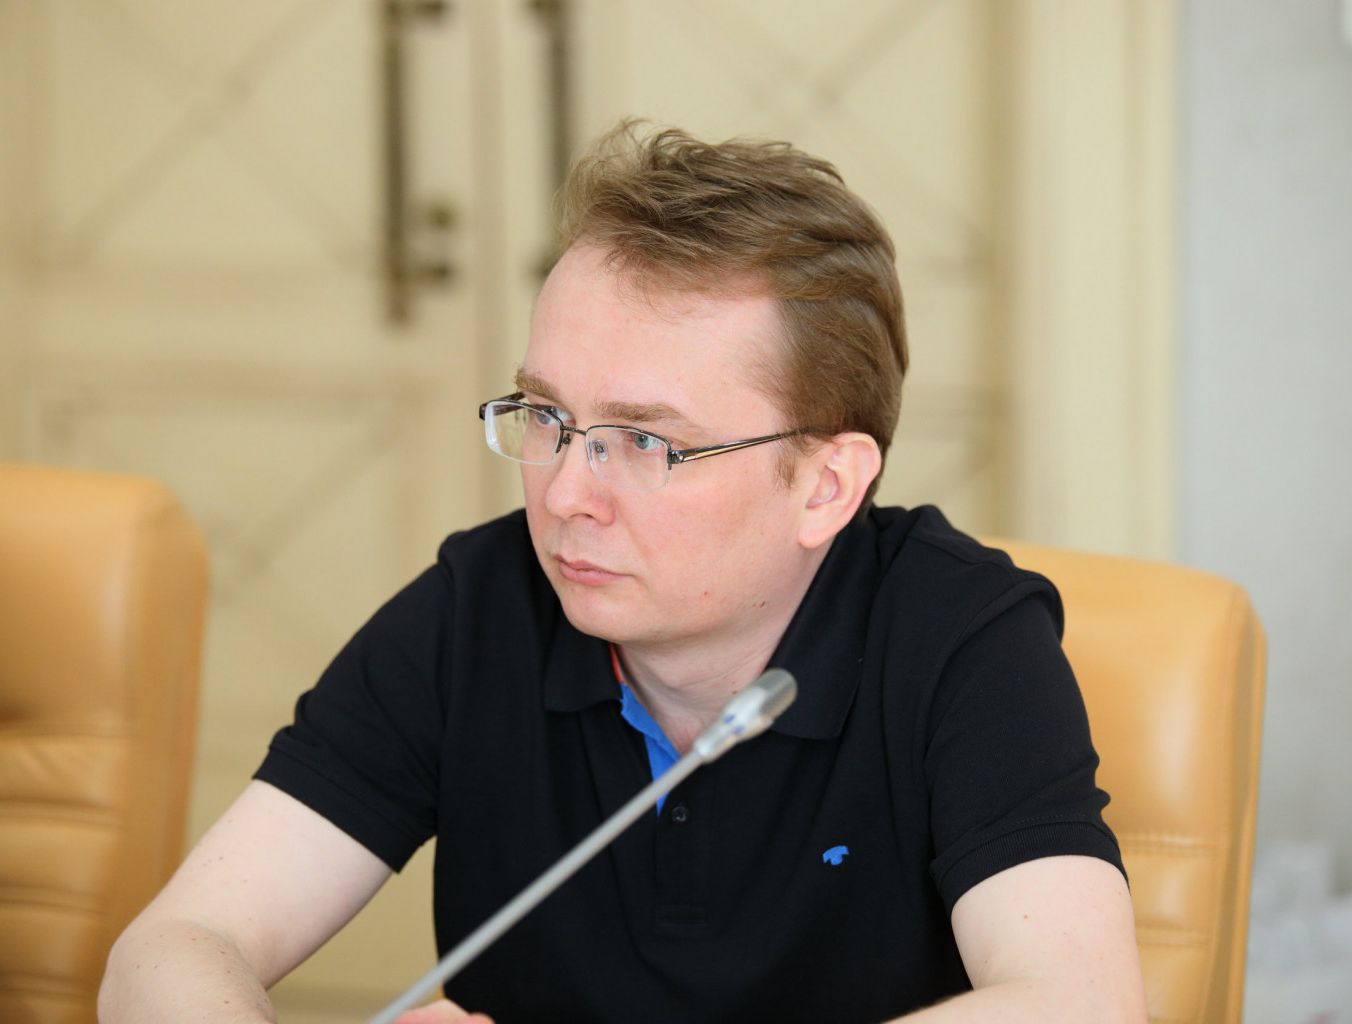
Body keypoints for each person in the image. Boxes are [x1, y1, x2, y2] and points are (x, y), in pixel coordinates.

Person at [99, 122, 1146, 1023]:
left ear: (826, 486)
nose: (564, 494)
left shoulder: (959, 636)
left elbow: (1080, 1004)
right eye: (548, 417)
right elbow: (173, 948)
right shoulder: (479, 609)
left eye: (646, 442)